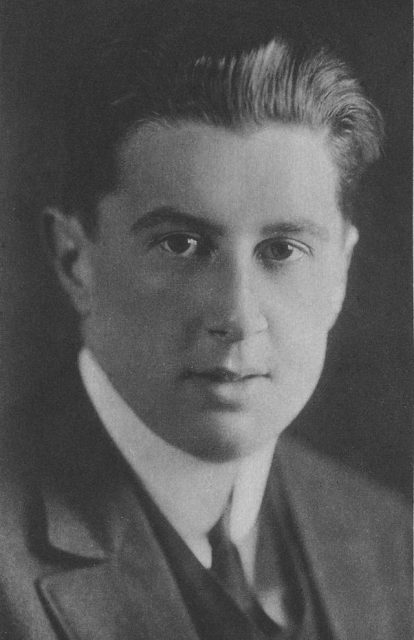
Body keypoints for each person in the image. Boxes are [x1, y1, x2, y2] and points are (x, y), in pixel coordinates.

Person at [0, 2, 410, 639]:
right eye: (181, 245)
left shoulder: (388, 540)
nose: (237, 317)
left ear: (340, 273)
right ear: (75, 261)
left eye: (283, 250)